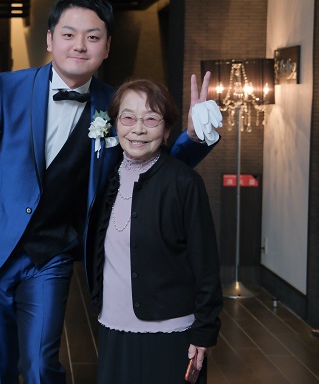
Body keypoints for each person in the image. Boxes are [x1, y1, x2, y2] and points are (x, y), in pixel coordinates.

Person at [0, 0, 220, 384]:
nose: (80, 46)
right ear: (50, 40)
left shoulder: (114, 103)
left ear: (107, 48)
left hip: (52, 254)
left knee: (40, 364)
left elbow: (151, 162)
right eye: (69, 34)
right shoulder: (7, 87)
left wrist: (195, 137)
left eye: (93, 36)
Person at [87, 79, 223, 383]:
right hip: (113, 325)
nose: (138, 129)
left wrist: (205, 330)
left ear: (167, 130)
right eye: (128, 118)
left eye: (151, 119)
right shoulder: (104, 178)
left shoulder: (184, 183)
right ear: (115, 124)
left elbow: (206, 264)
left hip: (171, 333)